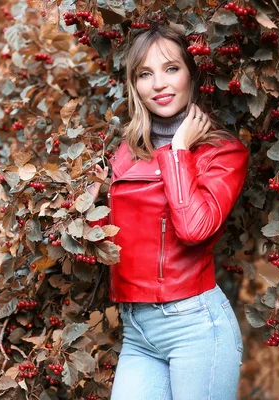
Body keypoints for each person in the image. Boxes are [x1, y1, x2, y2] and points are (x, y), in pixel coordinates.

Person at [87, 24, 249, 400]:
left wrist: (179, 151)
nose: (158, 84)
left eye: (171, 69)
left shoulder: (221, 154)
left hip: (196, 327)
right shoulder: (126, 151)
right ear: (134, 84)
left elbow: (194, 228)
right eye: (145, 74)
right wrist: (91, 202)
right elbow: (116, 239)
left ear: (192, 74)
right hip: (138, 329)